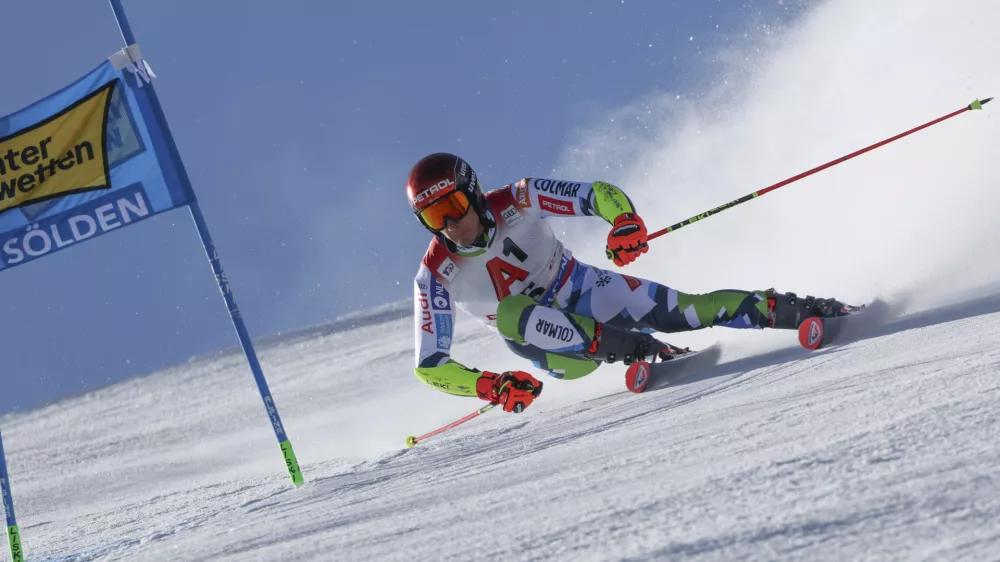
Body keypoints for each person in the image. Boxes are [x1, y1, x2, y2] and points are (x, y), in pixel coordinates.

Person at [408, 153, 852, 414]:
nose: (449, 224)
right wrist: (492, 385)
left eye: (453, 205)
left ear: (473, 191)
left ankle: (801, 311)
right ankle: (638, 348)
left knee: (688, 310)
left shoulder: (519, 198)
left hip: (584, 287)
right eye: (432, 217)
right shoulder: (434, 274)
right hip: (554, 349)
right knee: (510, 313)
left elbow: (596, 193)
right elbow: (430, 365)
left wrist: (623, 221)